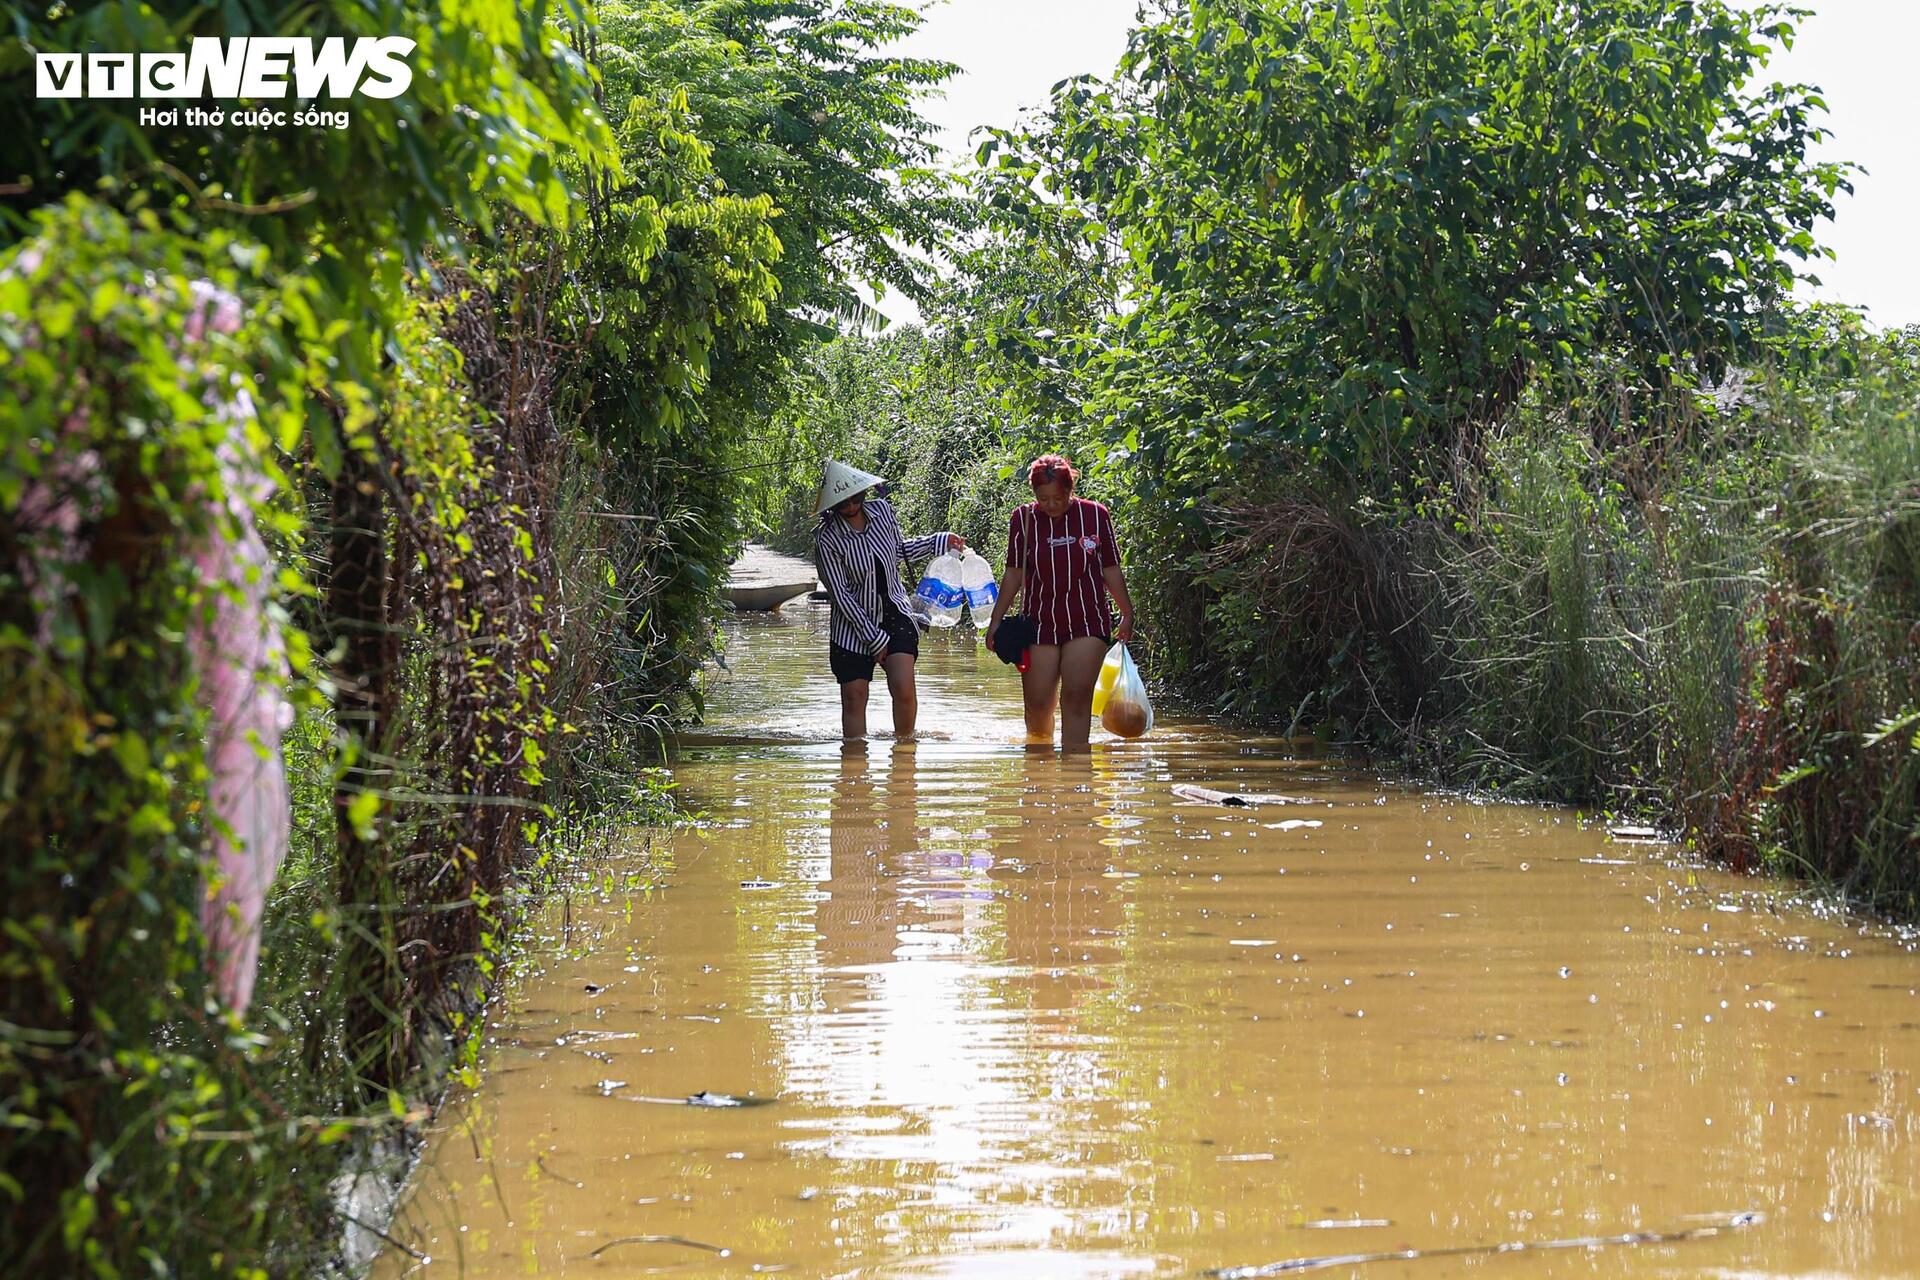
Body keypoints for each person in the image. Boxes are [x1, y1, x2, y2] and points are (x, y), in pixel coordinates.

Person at [985, 454, 1136, 750]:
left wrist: (1127, 613)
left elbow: (1110, 569)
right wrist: (995, 620)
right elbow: (1014, 573)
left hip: (1087, 620)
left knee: (1077, 697)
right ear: (1034, 495)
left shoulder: (1095, 515)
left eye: (1058, 498)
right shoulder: (1023, 519)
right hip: (1039, 624)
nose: (1051, 505)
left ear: (1071, 489)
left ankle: (1076, 771)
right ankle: (1040, 769)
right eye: (1044, 499)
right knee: (1038, 704)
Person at [813, 461, 966, 740]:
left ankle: (905, 756)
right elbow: (841, 596)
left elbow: (899, 551)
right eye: (842, 502)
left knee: (903, 687)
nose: (849, 506)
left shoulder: (882, 512)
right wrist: (873, 638)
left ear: (863, 492)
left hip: (895, 611)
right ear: (831, 505)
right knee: (854, 697)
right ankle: (855, 766)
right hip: (852, 626)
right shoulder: (827, 540)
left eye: (855, 498)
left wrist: (939, 541)